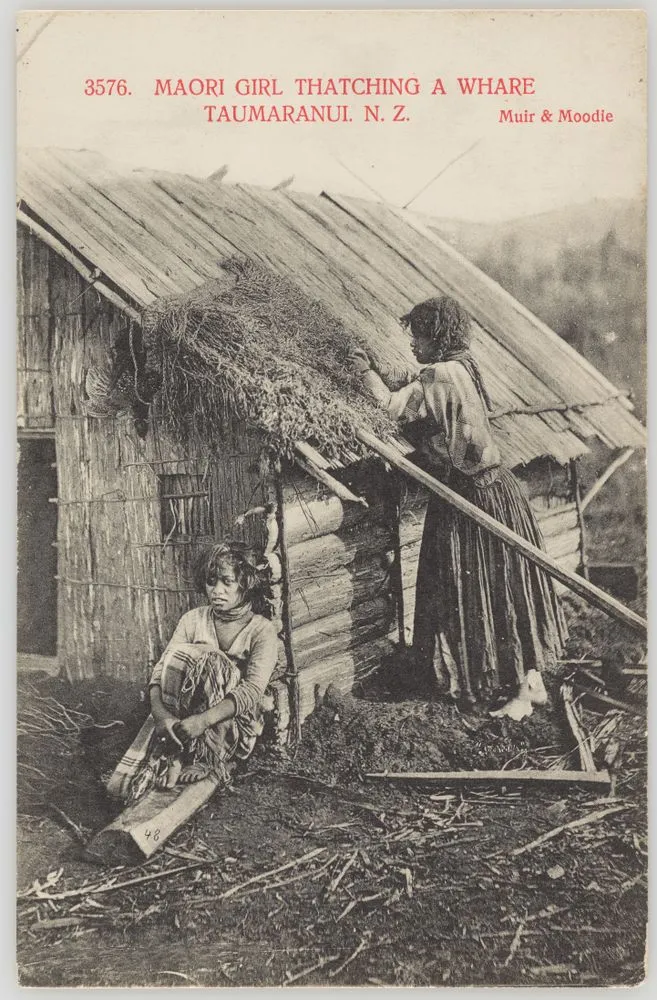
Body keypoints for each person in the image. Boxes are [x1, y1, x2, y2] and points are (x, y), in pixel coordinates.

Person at [351, 295, 567, 720]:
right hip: (494, 489)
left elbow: (392, 407)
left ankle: (513, 691)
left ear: (437, 336)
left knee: (473, 589)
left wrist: (363, 371)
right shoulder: (465, 366)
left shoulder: (442, 373)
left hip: (472, 497)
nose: (412, 344)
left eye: (418, 336)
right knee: (504, 588)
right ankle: (529, 680)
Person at [106, 541, 278, 802]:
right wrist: (161, 715)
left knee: (207, 658)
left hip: (228, 728)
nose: (217, 591)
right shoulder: (194, 619)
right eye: (211, 582)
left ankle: (207, 758)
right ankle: (176, 754)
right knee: (178, 656)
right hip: (180, 722)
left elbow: (252, 691)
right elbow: (162, 669)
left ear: (245, 584)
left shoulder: (261, 630)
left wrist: (204, 721)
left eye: (226, 582)